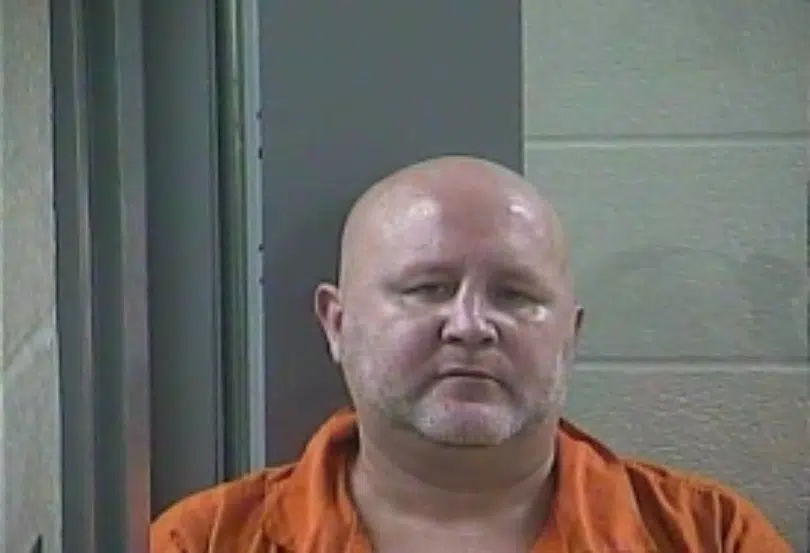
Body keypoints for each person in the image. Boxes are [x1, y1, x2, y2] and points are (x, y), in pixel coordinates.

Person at [151, 156, 793, 553]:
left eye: (515, 295)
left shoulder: (710, 536)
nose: (470, 326)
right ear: (337, 324)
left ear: (570, 335)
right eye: (427, 288)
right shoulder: (203, 541)